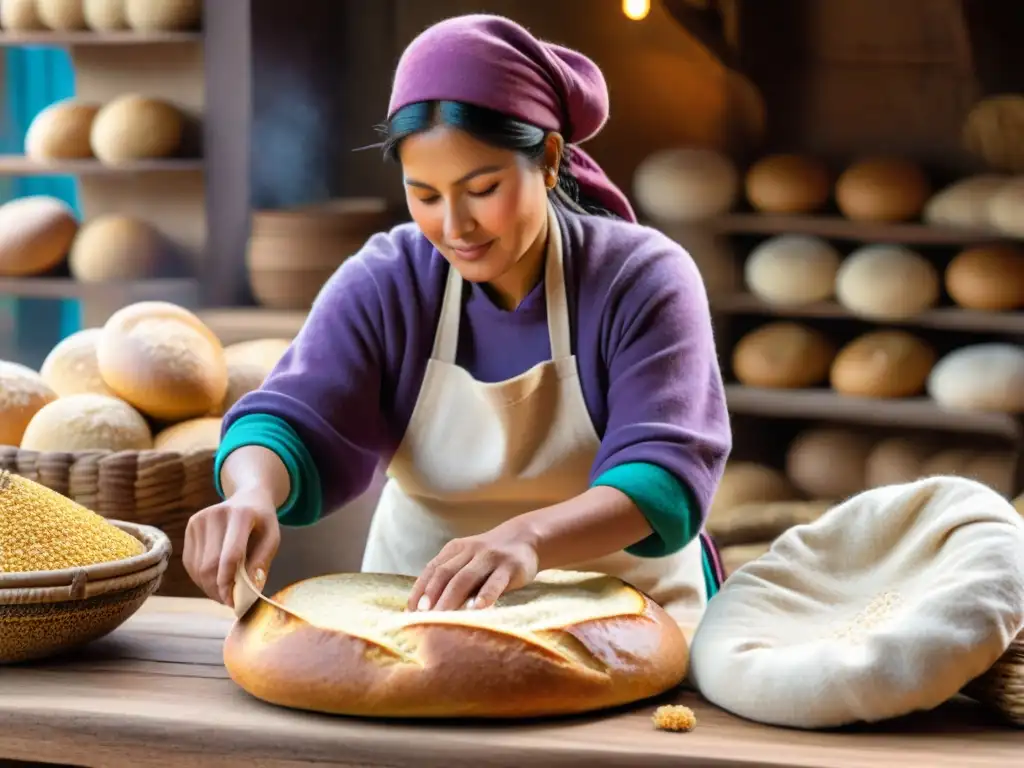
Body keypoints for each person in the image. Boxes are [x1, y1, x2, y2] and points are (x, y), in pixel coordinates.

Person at [183, 13, 732, 629]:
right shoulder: (388, 279)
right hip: (420, 617)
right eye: (425, 194)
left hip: (627, 617)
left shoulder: (641, 278)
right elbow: (288, 419)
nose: (454, 226)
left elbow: (664, 476)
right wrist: (253, 492)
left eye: (482, 188)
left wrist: (526, 539)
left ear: (549, 160)